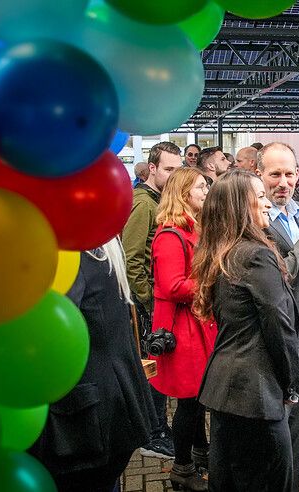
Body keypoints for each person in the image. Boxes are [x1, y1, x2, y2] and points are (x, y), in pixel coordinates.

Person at [194, 169, 299, 491]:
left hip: (229, 390)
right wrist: (292, 384)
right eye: (259, 197)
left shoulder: (227, 251)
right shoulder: (255, 254)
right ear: (241, 207)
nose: (267, 204)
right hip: (257, 395)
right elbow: (278, 327)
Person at [30, 238, 155, 492]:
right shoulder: (98, 246)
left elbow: (53, 334)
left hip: (86, 418)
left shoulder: (69, 255)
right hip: (114, 401)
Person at [257, 142, 299, 491]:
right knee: (275, 438)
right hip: (278, 344)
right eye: (274, 174)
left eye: (289, 174)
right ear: (260, 175)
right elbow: (278, 275)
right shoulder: (255, 220)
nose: (282, 182)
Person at [149, 167, 217, 491]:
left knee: (197, 397)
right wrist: (213, 281)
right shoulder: (169, 234)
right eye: (201, 186)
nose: (206, 191)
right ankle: (183, 468)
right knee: (190, 401)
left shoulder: (193, 229)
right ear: (184, 192)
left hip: (196, 324)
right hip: (183, 329)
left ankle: (201, 452)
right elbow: (173, 285)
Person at [122, 141, 181, 459]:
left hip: (157, 302)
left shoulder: (158, 200)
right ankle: (151, 433)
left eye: (177, 169)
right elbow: (133, 260)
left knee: (159, 368)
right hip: (149, 305)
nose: (173, 176)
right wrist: (149, 303)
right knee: (153, 369)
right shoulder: (143, 203)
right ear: (153, 168)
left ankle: (157, 428)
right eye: (168, 169)